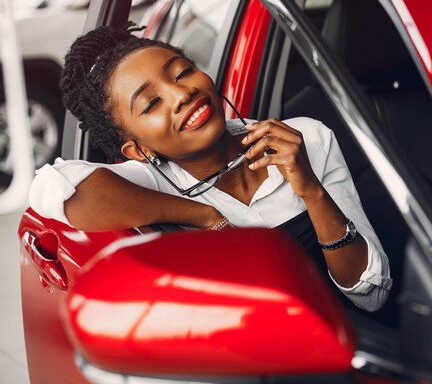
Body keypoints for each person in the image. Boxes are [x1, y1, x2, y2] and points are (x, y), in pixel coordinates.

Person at [28, 23, 392, 312]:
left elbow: (371, 297)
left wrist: (311, 190)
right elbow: (55, 188)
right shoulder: (151, 183)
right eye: (152, 102)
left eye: (183, 72)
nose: (181, 94)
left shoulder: (305, 138)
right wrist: (203, 215)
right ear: (136, 149)